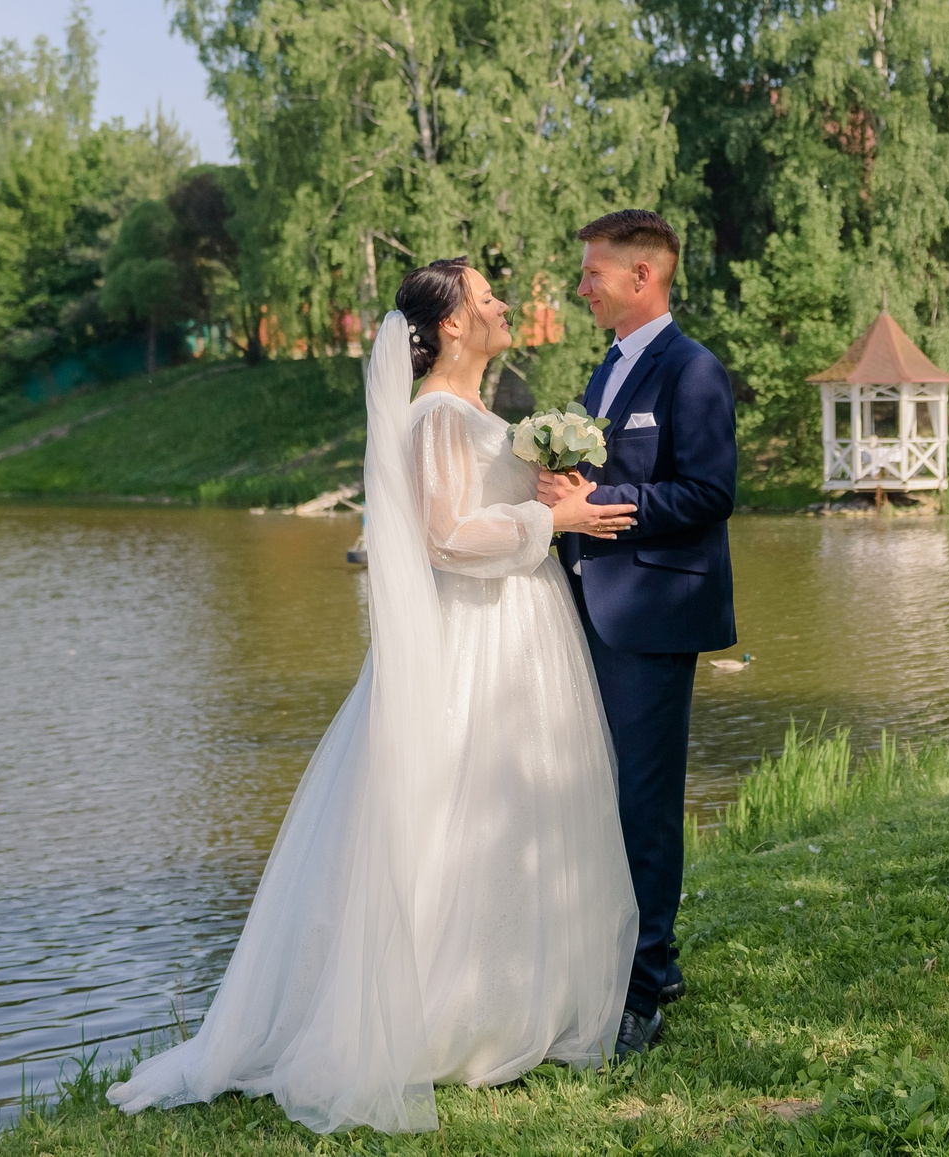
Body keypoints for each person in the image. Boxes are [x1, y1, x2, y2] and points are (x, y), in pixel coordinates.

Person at [108, 260, 641, 1135]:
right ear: (455, 326)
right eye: (486, 297)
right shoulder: (435, 414)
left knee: (516, 804)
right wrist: (555, 523)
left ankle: (512, 998)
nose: (503, 304)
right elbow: (442, 536)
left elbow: (484, 511)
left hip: (518, 628)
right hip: (472, 636)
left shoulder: (479, 415)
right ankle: (444, 1013)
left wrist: (554, 495)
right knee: (457, 808)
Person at [543, 209, 737, 1056]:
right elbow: (604, 472)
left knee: (645, 804)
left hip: (652, 616)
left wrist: (598, 511)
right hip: (591, 607)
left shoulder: (694, 371)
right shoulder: (606, 370)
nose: (581, 285)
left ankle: (644, 990)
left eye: (593, 272)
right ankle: (653, 954)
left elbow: (708, 494)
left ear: (641, 277)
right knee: (602, 792)